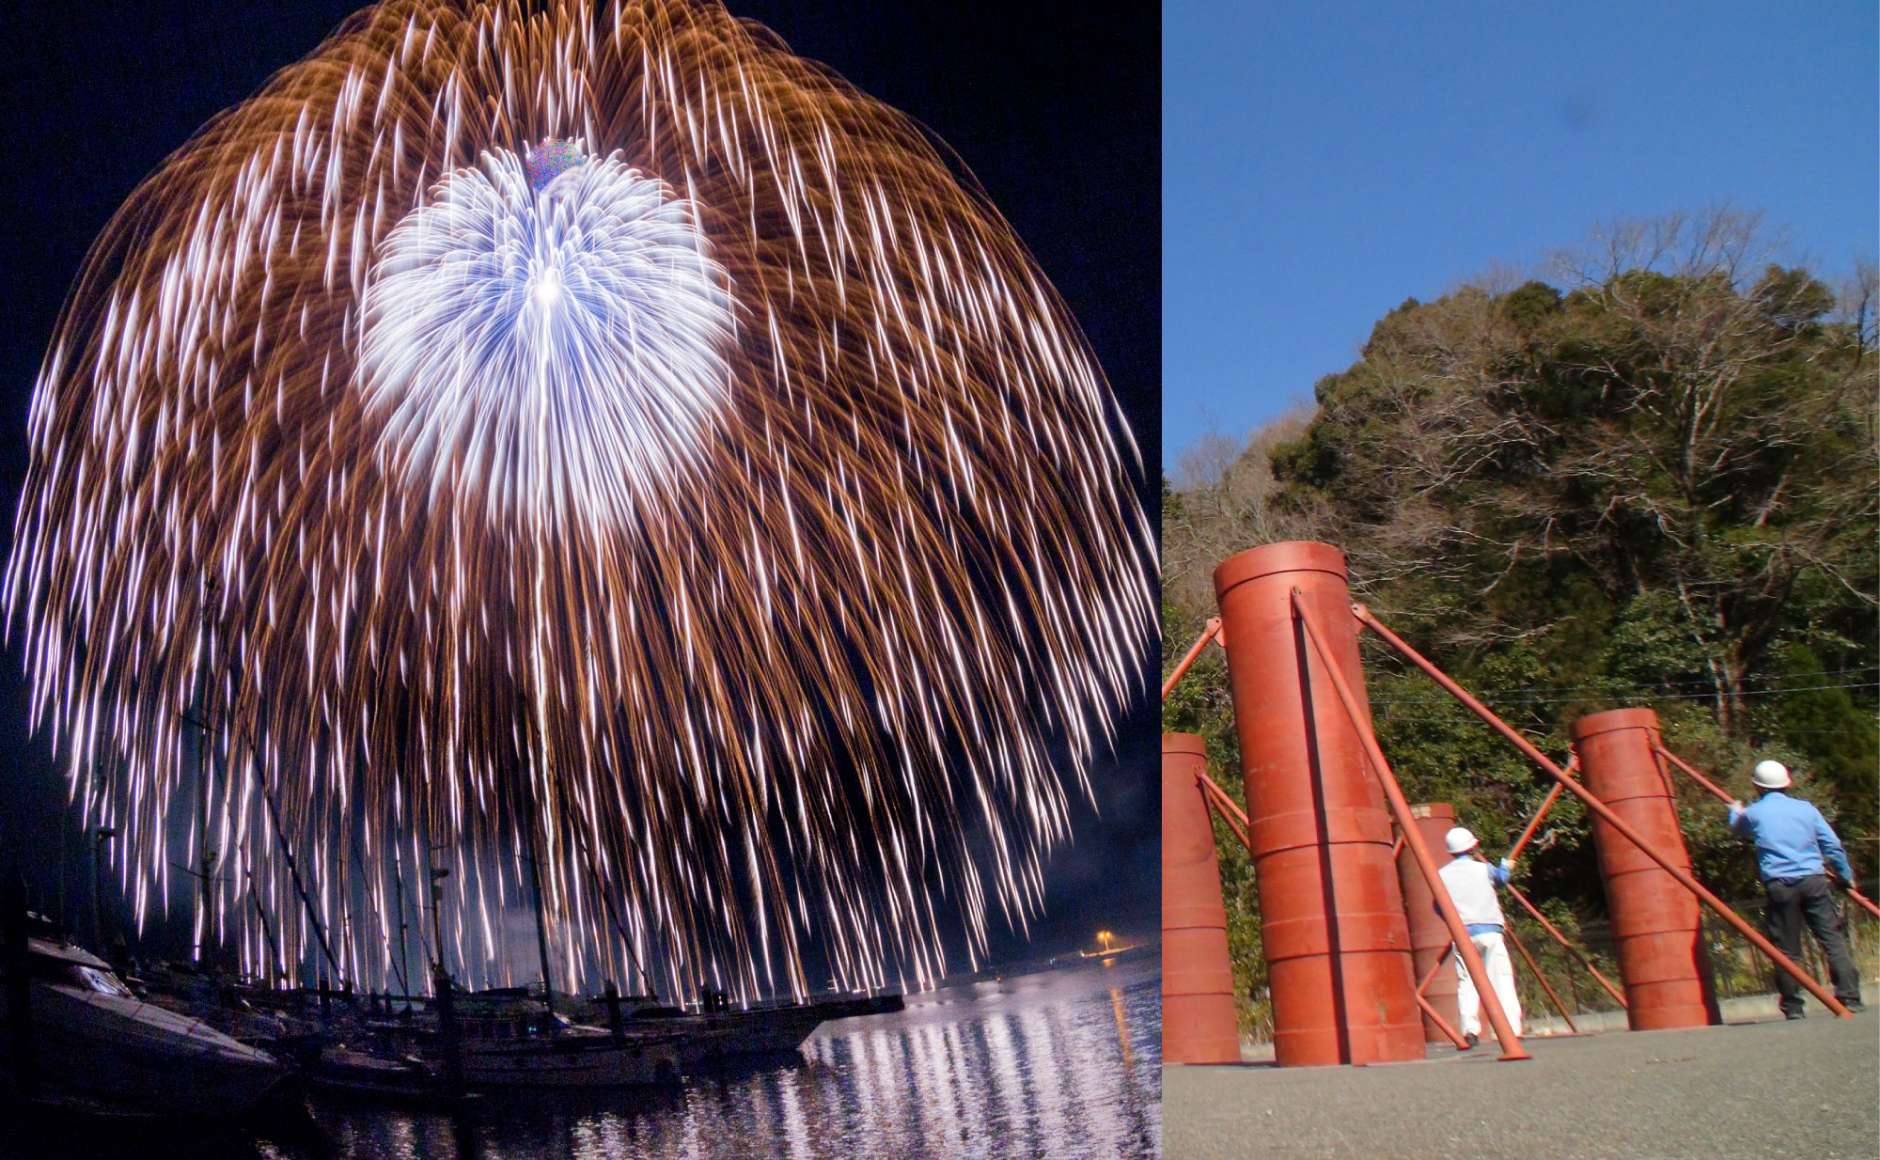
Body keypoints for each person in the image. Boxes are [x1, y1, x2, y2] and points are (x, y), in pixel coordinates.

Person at [1728, 760, 1864, 1017]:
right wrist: (1845, 877)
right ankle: (1850, 996)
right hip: (1814, 880)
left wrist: (1735, 810)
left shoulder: (1754, 813)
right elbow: (1833, 846)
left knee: (1787, 949)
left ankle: (1793, 1006)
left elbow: (1737, 828)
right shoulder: (1807, 810)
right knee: (1832, 940)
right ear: (1787, 784)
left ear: (1757, 786)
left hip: (1780, 885)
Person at [1436, 826, 1522, 1048]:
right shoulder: (1483, 869)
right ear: (1472, 846)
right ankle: (1511, 1028)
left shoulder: (1442, 875)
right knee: (1501, 979)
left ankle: (1470, 1030)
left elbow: (1438, 907)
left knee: (1467, 983)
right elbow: (1502, 879)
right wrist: (1506, 866)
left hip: (1463, 934)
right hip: (1490, 932)